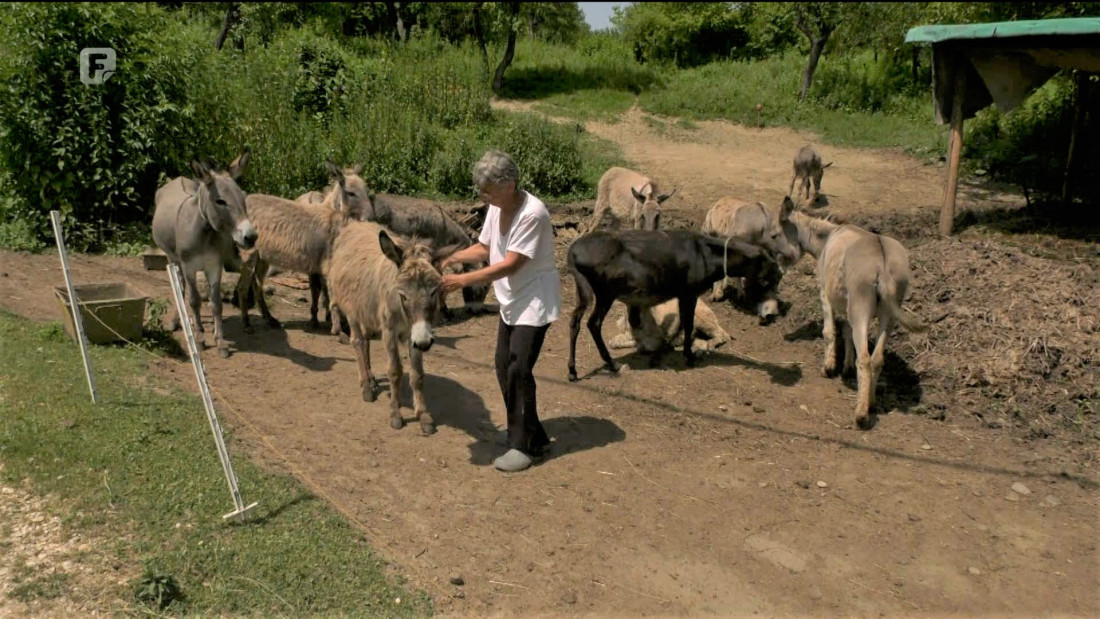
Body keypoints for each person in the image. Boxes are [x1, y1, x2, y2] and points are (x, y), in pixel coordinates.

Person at [440, 150, 561, 473]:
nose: (483, 195)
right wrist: (451, 258)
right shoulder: (497, 206)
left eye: (488, 189)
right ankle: (533, 437)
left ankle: (521, 446)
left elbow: (509, 264)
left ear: (508, 185)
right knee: (502, 365)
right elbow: (486, 247)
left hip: (534, 299)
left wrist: (460, 280)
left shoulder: (532, 214)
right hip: (512, 298)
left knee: (518, 369)